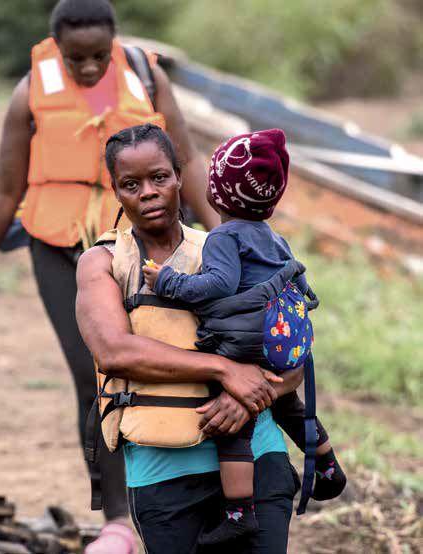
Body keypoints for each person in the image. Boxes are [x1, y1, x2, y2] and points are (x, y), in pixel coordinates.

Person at [0, 0, 216, 548]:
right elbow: (5, 189)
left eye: (100, 55)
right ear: (55, 49)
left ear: (115, 42)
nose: (91, 67)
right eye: (77, 59)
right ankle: (118, 520)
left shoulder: (147, 76)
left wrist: (225, 239)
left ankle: (189, 498)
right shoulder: (29, 92)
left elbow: (190, 162)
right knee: (96, 378)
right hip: (60, 251)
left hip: (148, 248)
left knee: (178, 366)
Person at [76, 124, 306, 553]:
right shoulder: (103, 262)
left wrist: (245, 396)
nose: (148, 192)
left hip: (256, 461)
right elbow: (114, 352)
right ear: (116, 192)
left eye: (159, 177)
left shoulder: (231, 246)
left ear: (180, 176)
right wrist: (224, 369)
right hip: (164, 473)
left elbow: (294, 351)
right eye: (131, 184)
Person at [142, 129, 347, 545]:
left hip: (245, 338)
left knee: (235, 423)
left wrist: (170, 282)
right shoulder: (275, 237)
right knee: (287, 401)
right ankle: (326, 465)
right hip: (280, 337)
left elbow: (218, 284)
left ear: (216, 195)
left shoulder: (223, 237)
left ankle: (238, 511)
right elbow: (292, 279)